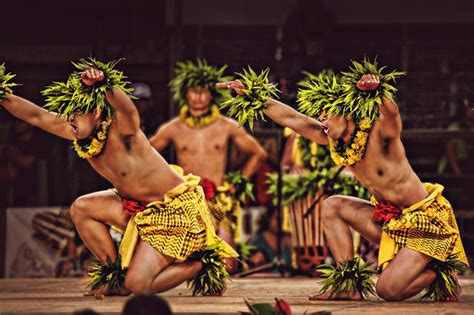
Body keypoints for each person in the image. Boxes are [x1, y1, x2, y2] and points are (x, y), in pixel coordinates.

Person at [218, 60, 468, 301]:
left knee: (388, 291)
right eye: (320, 115)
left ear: (347, 112)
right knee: (333, 205)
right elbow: (293, 119)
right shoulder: (334, 140)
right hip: (392, 222)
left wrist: (377, 90)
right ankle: (348, 283)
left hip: (425, 224)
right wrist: (254, 95)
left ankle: (439, 266)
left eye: (327, 113)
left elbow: (391, 114)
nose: (322, 119)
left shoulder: (380, 135)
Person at [0, 59, 236, 297]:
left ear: (97, 112)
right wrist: (3, 94)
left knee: (139, 286)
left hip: (174, 213)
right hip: (138, 209)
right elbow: (36, 116)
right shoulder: (77, 130)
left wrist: (105, 83)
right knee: (81, 208)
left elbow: (127, 108)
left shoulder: (124, 130)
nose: (69, 119)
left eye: (76, 113)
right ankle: (114, 277)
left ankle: (199, 264)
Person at [150, 60, 267, 271]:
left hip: (219, 197)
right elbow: (146, 155)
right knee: (183, 258)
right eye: (194, 92)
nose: (199, 97)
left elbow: (259, 153)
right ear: (186, 94)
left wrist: (236, 182)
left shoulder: (226, 126)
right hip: (186, 198)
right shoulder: (172, 128)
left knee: (227, 263)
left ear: (211, 95)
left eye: (204, 92)